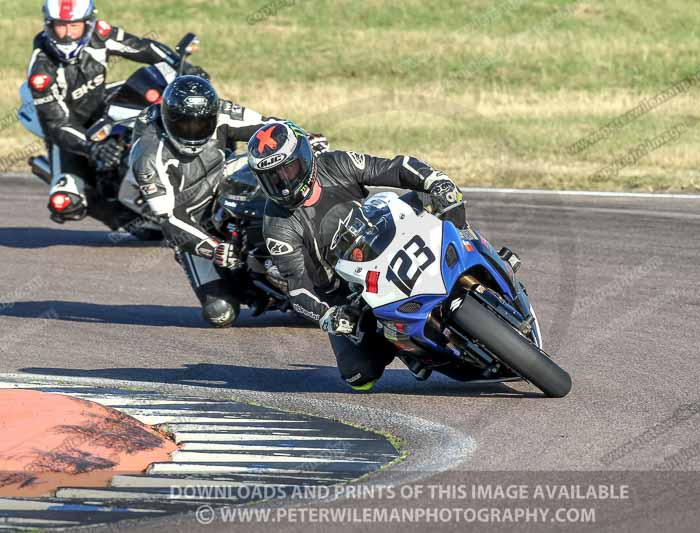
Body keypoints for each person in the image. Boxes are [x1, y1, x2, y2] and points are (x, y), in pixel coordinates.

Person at [247, 121, 465, 391]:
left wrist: (434, 180)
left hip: (386, 239)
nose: (283, 183)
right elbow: (298, 286)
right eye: (273, 178)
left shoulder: (335, 163)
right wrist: (328, 315)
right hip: (349, 291)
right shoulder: (276, 225)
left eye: (287, 170)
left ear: (303, 157)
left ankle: (474, 249)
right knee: (359, 376)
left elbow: (394, 168)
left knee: (442, 200)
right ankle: (407, 347)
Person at [130, 76, 329, 327]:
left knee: (281, 172)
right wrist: (213, 248)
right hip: (191, 222)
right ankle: (256, 287)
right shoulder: (147, 155)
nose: (196, 130)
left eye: (203, 122)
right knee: (220, 313)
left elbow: (272, 128)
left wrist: (306, 138)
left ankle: (319, 228)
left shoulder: (221, 112)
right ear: (169, 120)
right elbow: (169, 220)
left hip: (226, 178)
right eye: (186, 125)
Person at [27, 0, 208, 224]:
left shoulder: (100, 34)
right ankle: (129, 221)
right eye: (60, 26)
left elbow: (142, 47)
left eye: (74, 26)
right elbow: (57, 124)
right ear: (49, 25)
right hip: (70, 133)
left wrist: (181, 67)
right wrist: (93, 148)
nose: (67, 34)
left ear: (88, 23)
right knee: (65, 202)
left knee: (155, 93)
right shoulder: (41, 72)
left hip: (102, 104)